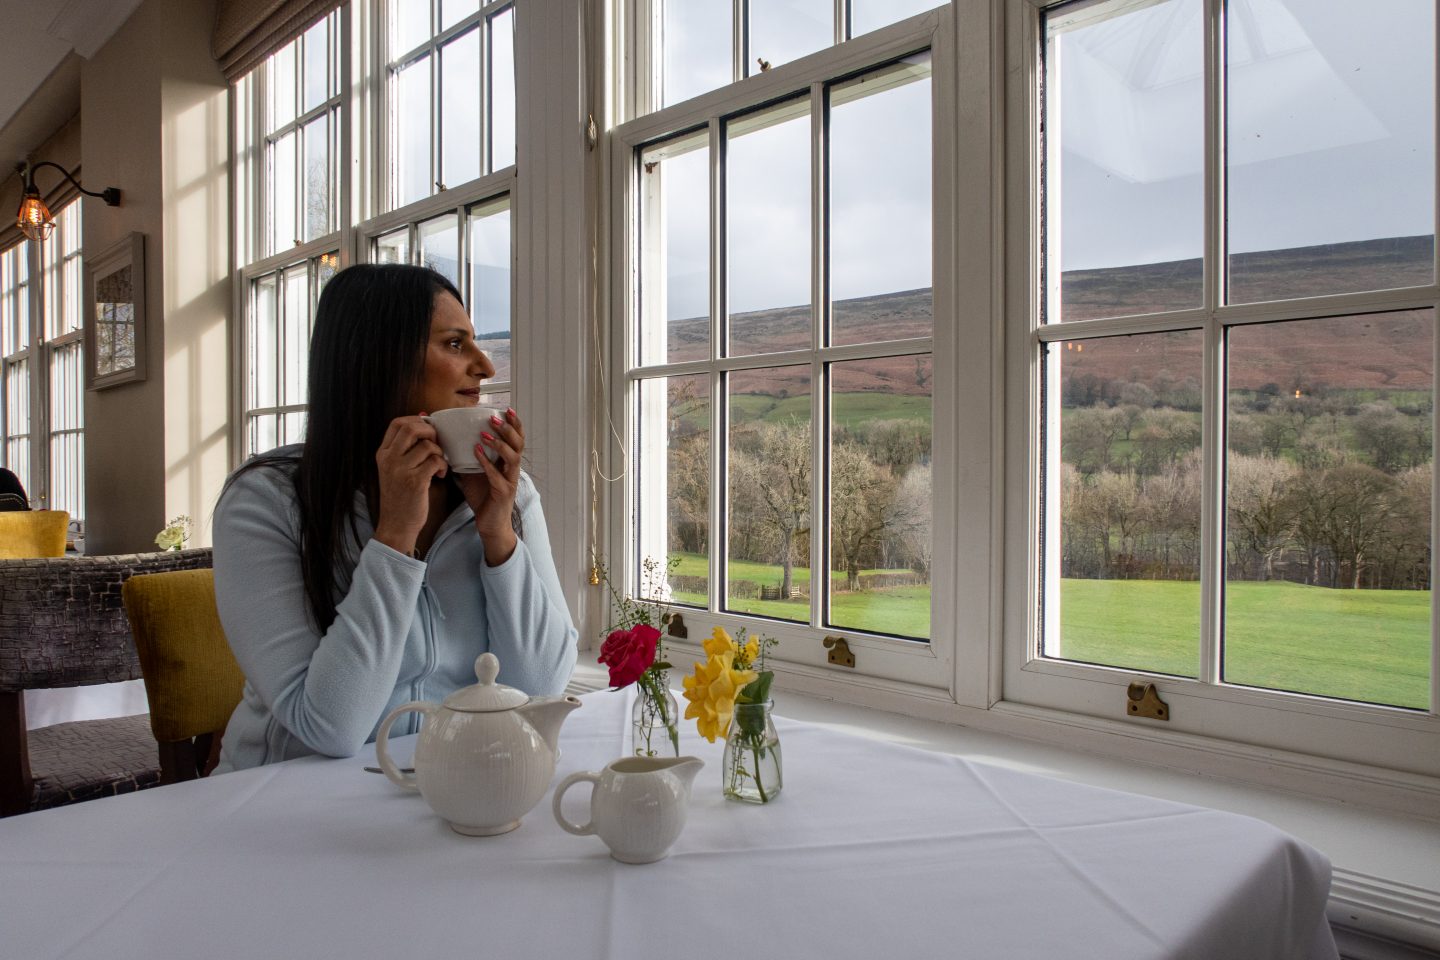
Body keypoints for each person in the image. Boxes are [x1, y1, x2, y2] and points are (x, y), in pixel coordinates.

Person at [212, 264, 577, 773]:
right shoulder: (266, 502)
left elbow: (540, 689)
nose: (486, 366)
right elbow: (331, 727)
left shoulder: (504, 494)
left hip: (448, 785)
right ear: (376, 360)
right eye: (454, 344)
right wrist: (395, 537)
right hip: (286, 803)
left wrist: (498, 533)